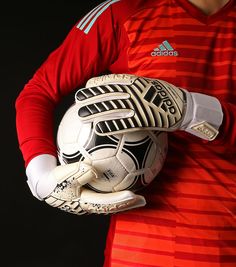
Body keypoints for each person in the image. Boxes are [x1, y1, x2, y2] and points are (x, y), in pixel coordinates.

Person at [15, 0, 236, 266]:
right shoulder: (124, 12)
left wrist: (193, 111)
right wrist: (41, 177)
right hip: (138, 251)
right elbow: (38, 91)